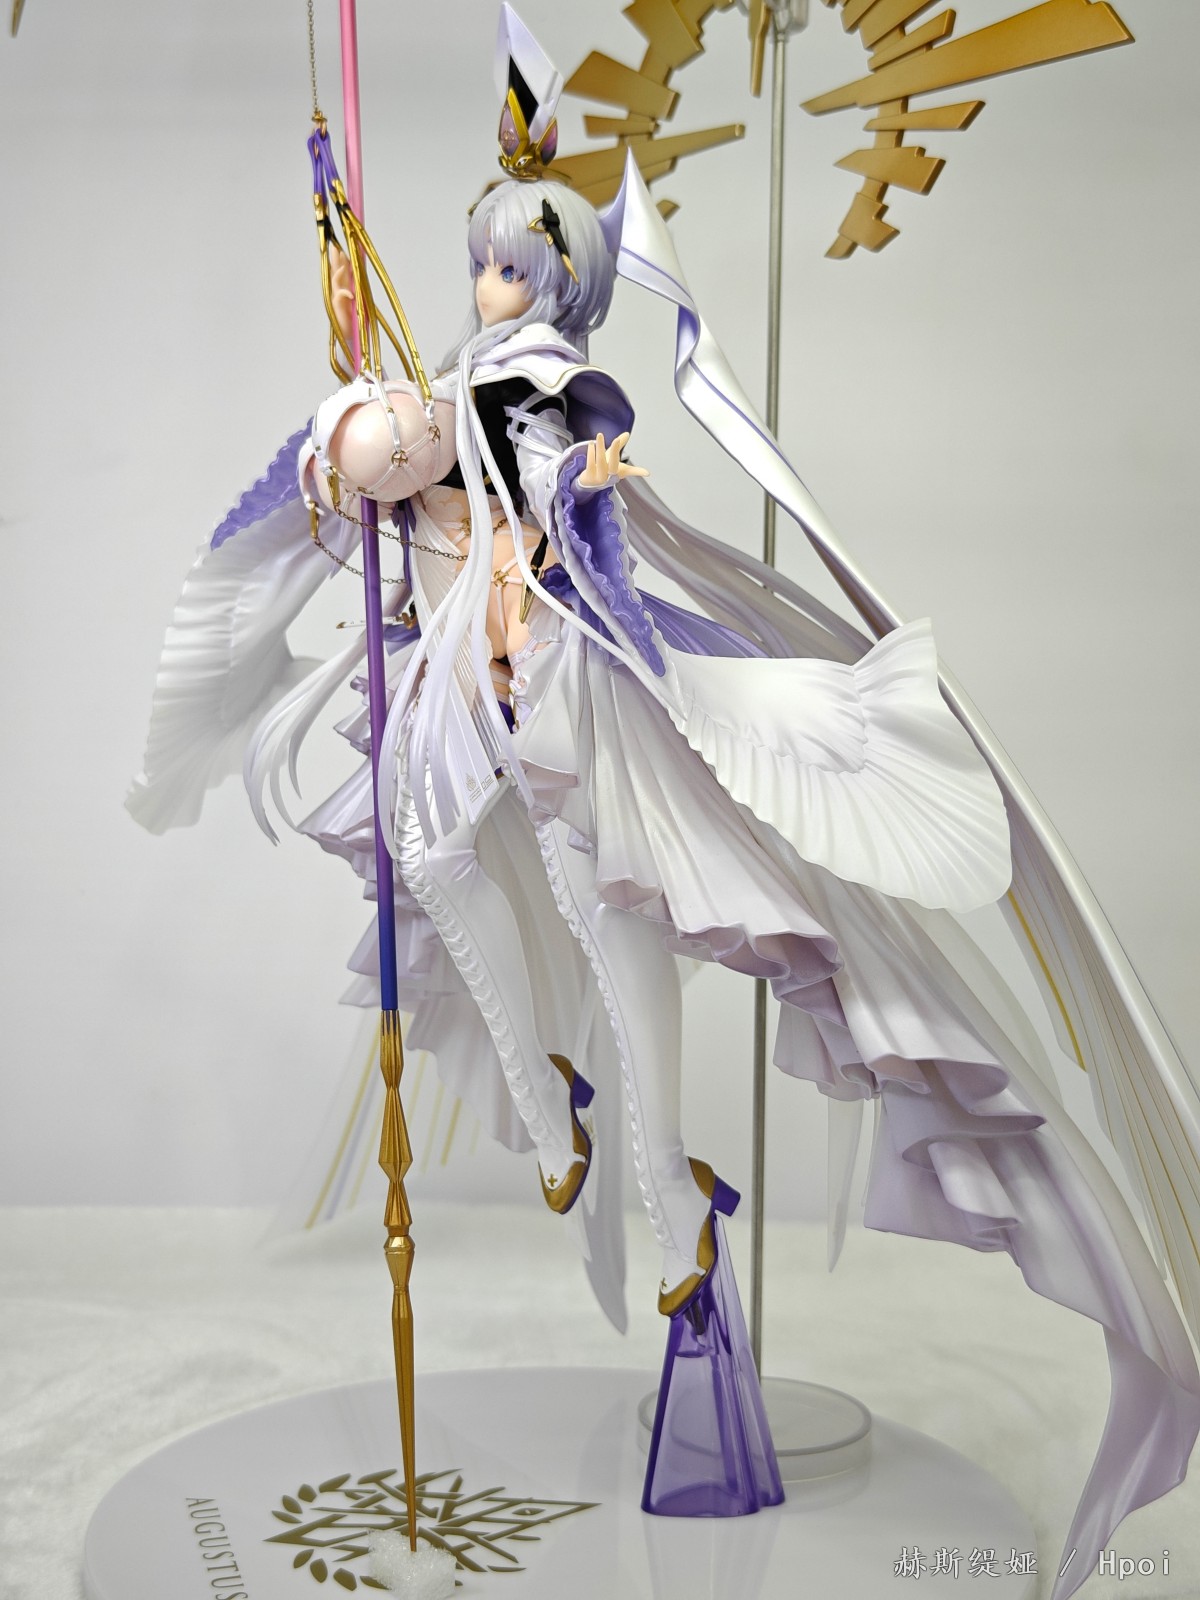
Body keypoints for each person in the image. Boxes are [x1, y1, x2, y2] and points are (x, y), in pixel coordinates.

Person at [128, 5, 1200, 1587]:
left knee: (612, 943)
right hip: (469, 682)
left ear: (556, 278)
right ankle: (548, 1092)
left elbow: (547, 466)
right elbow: (390, 470)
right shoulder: (462, 373)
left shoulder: (540, 382)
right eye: (481, 262)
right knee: (428, 853)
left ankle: (670, 1200)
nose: (488, 284)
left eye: (511, 266)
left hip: (565, 692)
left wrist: (527, 475)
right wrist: (353, 439)